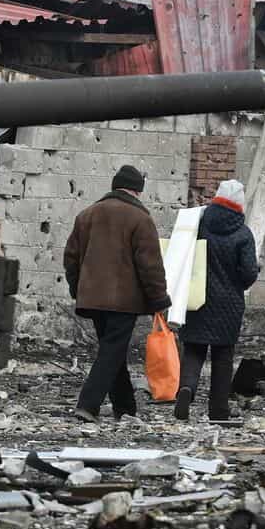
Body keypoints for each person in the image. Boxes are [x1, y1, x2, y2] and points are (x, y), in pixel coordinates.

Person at [64, 165, 169, 423]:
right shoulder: (140, 219)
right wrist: (159, 300)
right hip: (124, 301)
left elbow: (71, 259)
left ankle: (125, 407)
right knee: (111, 351)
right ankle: (87, 404)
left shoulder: (86, 215)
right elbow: (150, 266)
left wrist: (79, 288)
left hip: (93, 298)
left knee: (113, 351)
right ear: (137, 191)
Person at [175, 179, 258, 422]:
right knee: (223, 357)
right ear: (240, 205)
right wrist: (239, 283)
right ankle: (218, 411)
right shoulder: (243, 233)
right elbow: (249, 273)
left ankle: (187, 389)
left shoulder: (199, 224)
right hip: (229, 304)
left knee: (193, 349)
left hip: (197, 298)